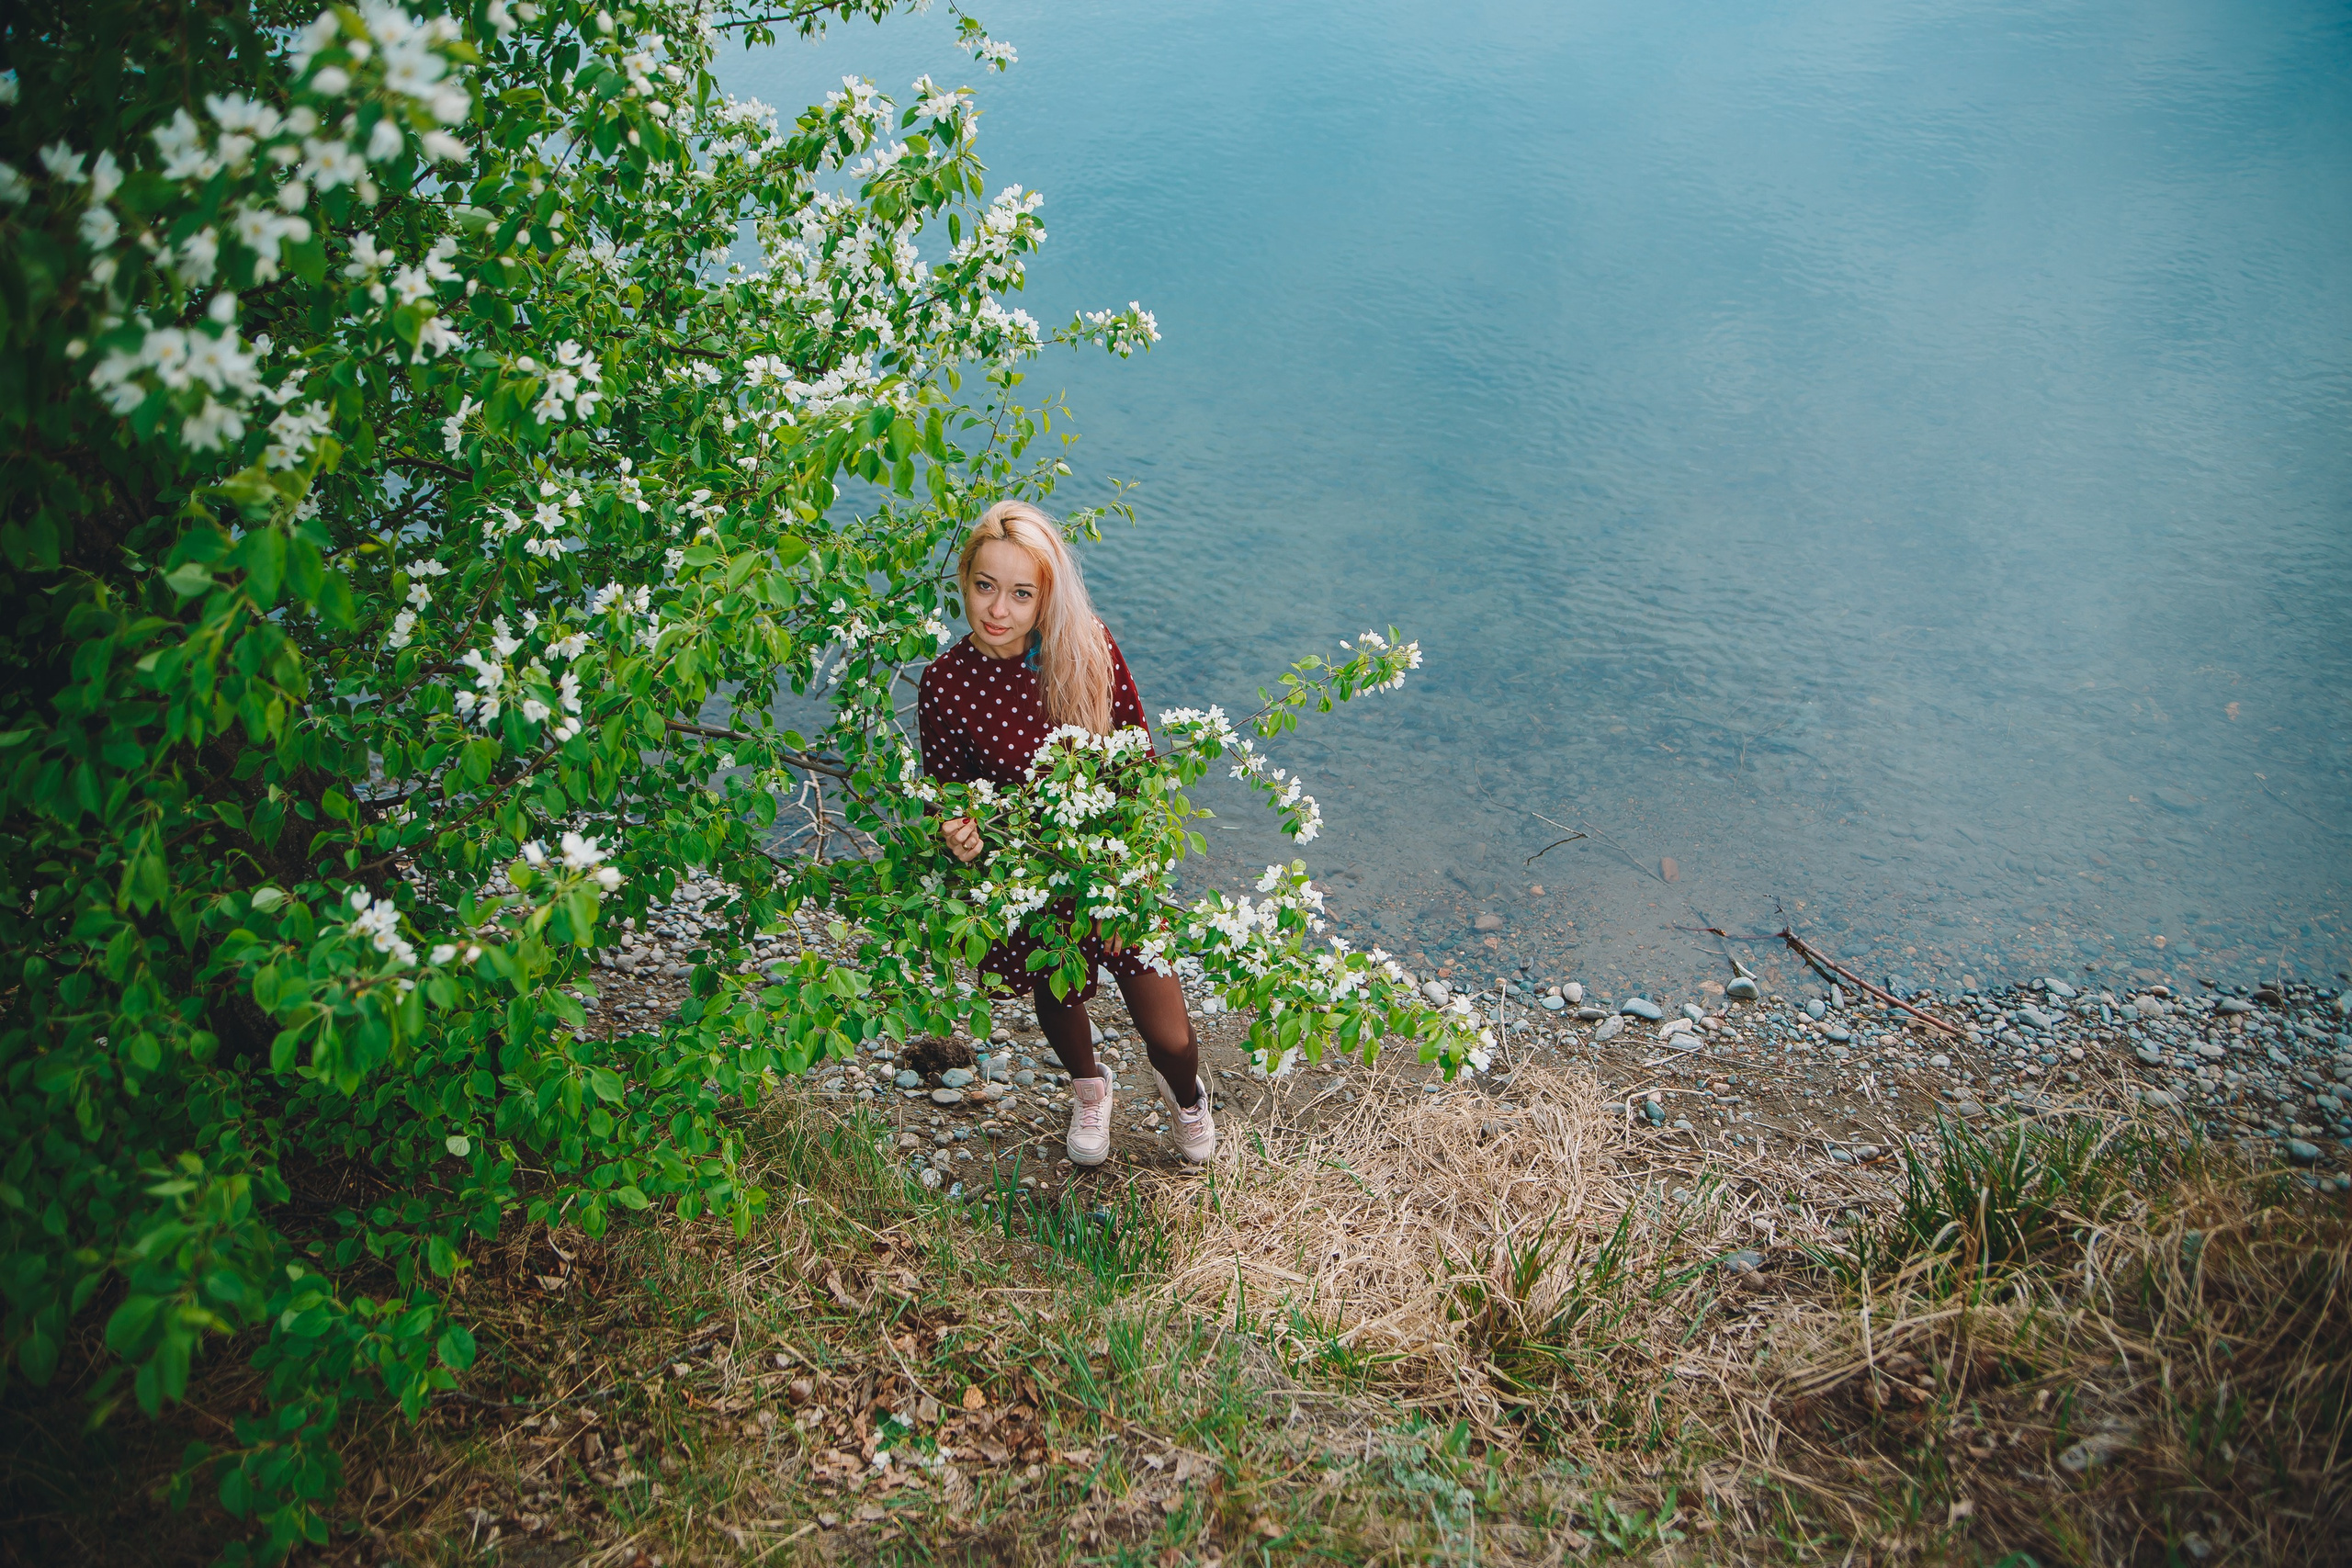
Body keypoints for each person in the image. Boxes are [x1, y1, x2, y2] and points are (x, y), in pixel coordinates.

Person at [916, 500, 1216, 1169]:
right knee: (1058, 994)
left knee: (1168, 1034)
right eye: (985, 585)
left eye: (1022, 593)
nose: (999, 609)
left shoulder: (1086, 647)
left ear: (1045, 595)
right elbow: (949, 791)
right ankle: (1090, 1085)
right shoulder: (946, 682)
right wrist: (956, 832)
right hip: (1031, 878)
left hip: (1113, 865)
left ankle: (1188, 1094)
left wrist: (1126, 883)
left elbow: (1138, 768)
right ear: (964, 578)